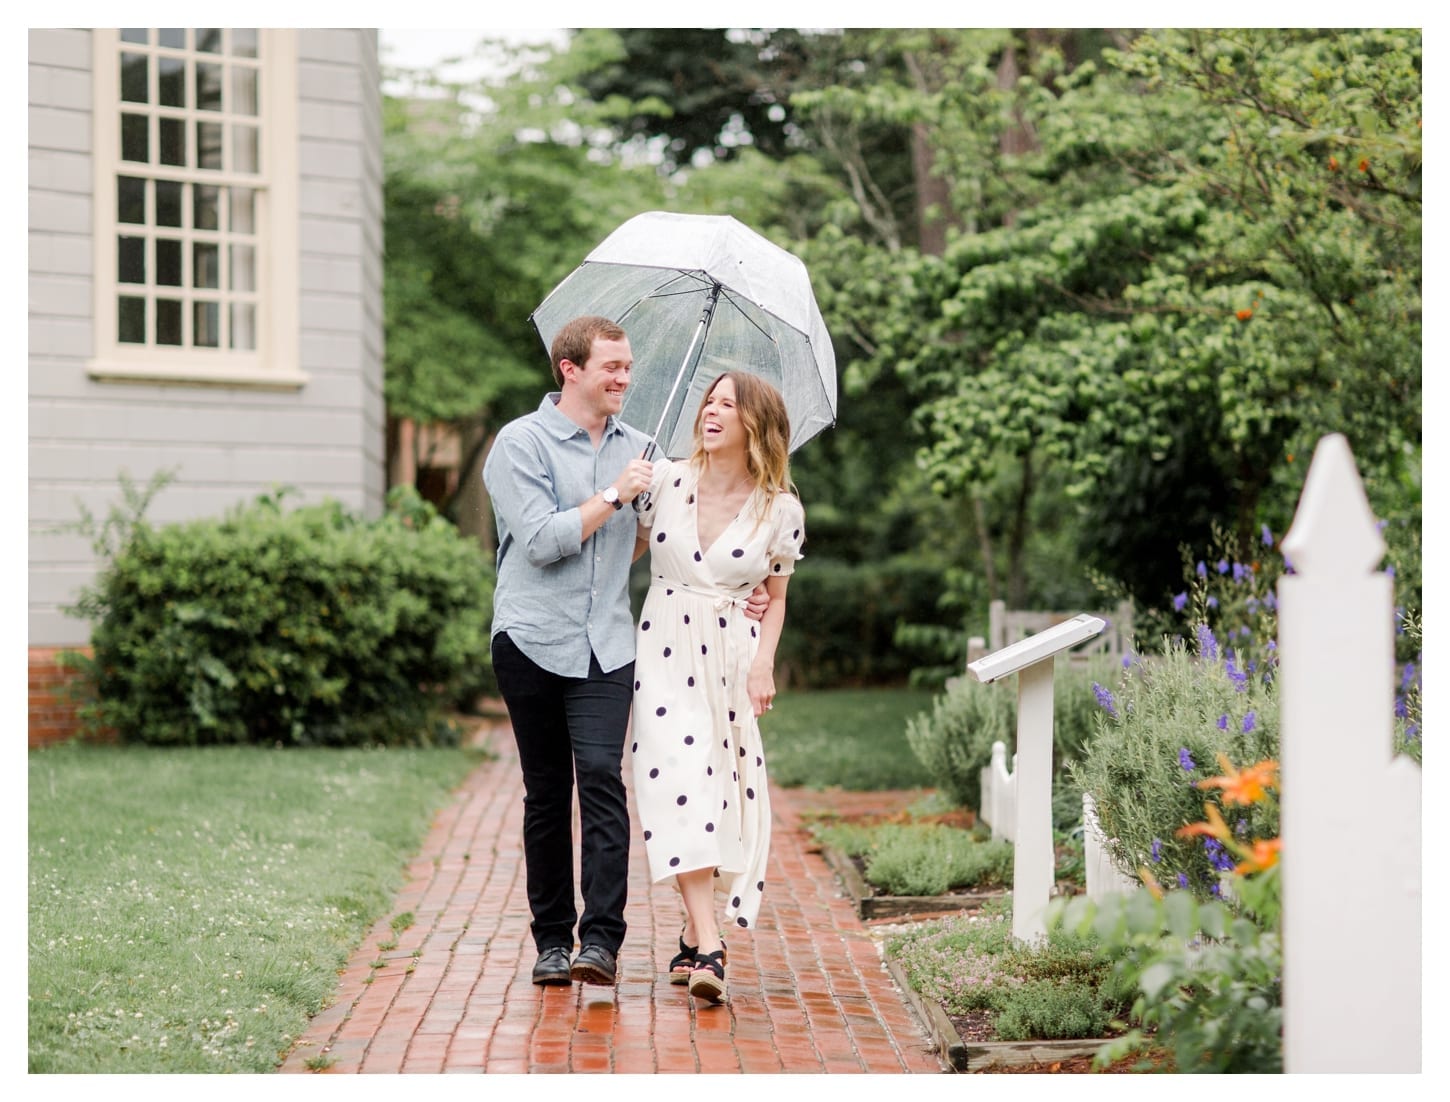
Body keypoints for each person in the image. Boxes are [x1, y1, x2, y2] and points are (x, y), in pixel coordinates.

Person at [483, 316, 767, 988]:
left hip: (609, 645)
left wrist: (742, 594)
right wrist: (614, 494)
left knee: (603, 779)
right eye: (611, 367)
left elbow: (669, 538)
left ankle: (600, 943)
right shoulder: (518, 444)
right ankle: (552, 941)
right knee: (548, 794)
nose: (625, 379)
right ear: (570, 369)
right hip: (530, 638)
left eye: (629, 366)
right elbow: (545, 541)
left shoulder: (642, 448)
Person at [629, 371, 805, 1004]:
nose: (712, 410)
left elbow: (777, 599)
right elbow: (627, 552)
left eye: (728, 404)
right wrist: (622, 493)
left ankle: (692, 930)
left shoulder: (779, 508)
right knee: (676, 781)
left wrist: (765, 663)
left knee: (715, 790)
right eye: (709, 400)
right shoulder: (669, 479)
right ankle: (710, 945)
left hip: (731, 654)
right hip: (662, 647)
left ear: (753, 424)